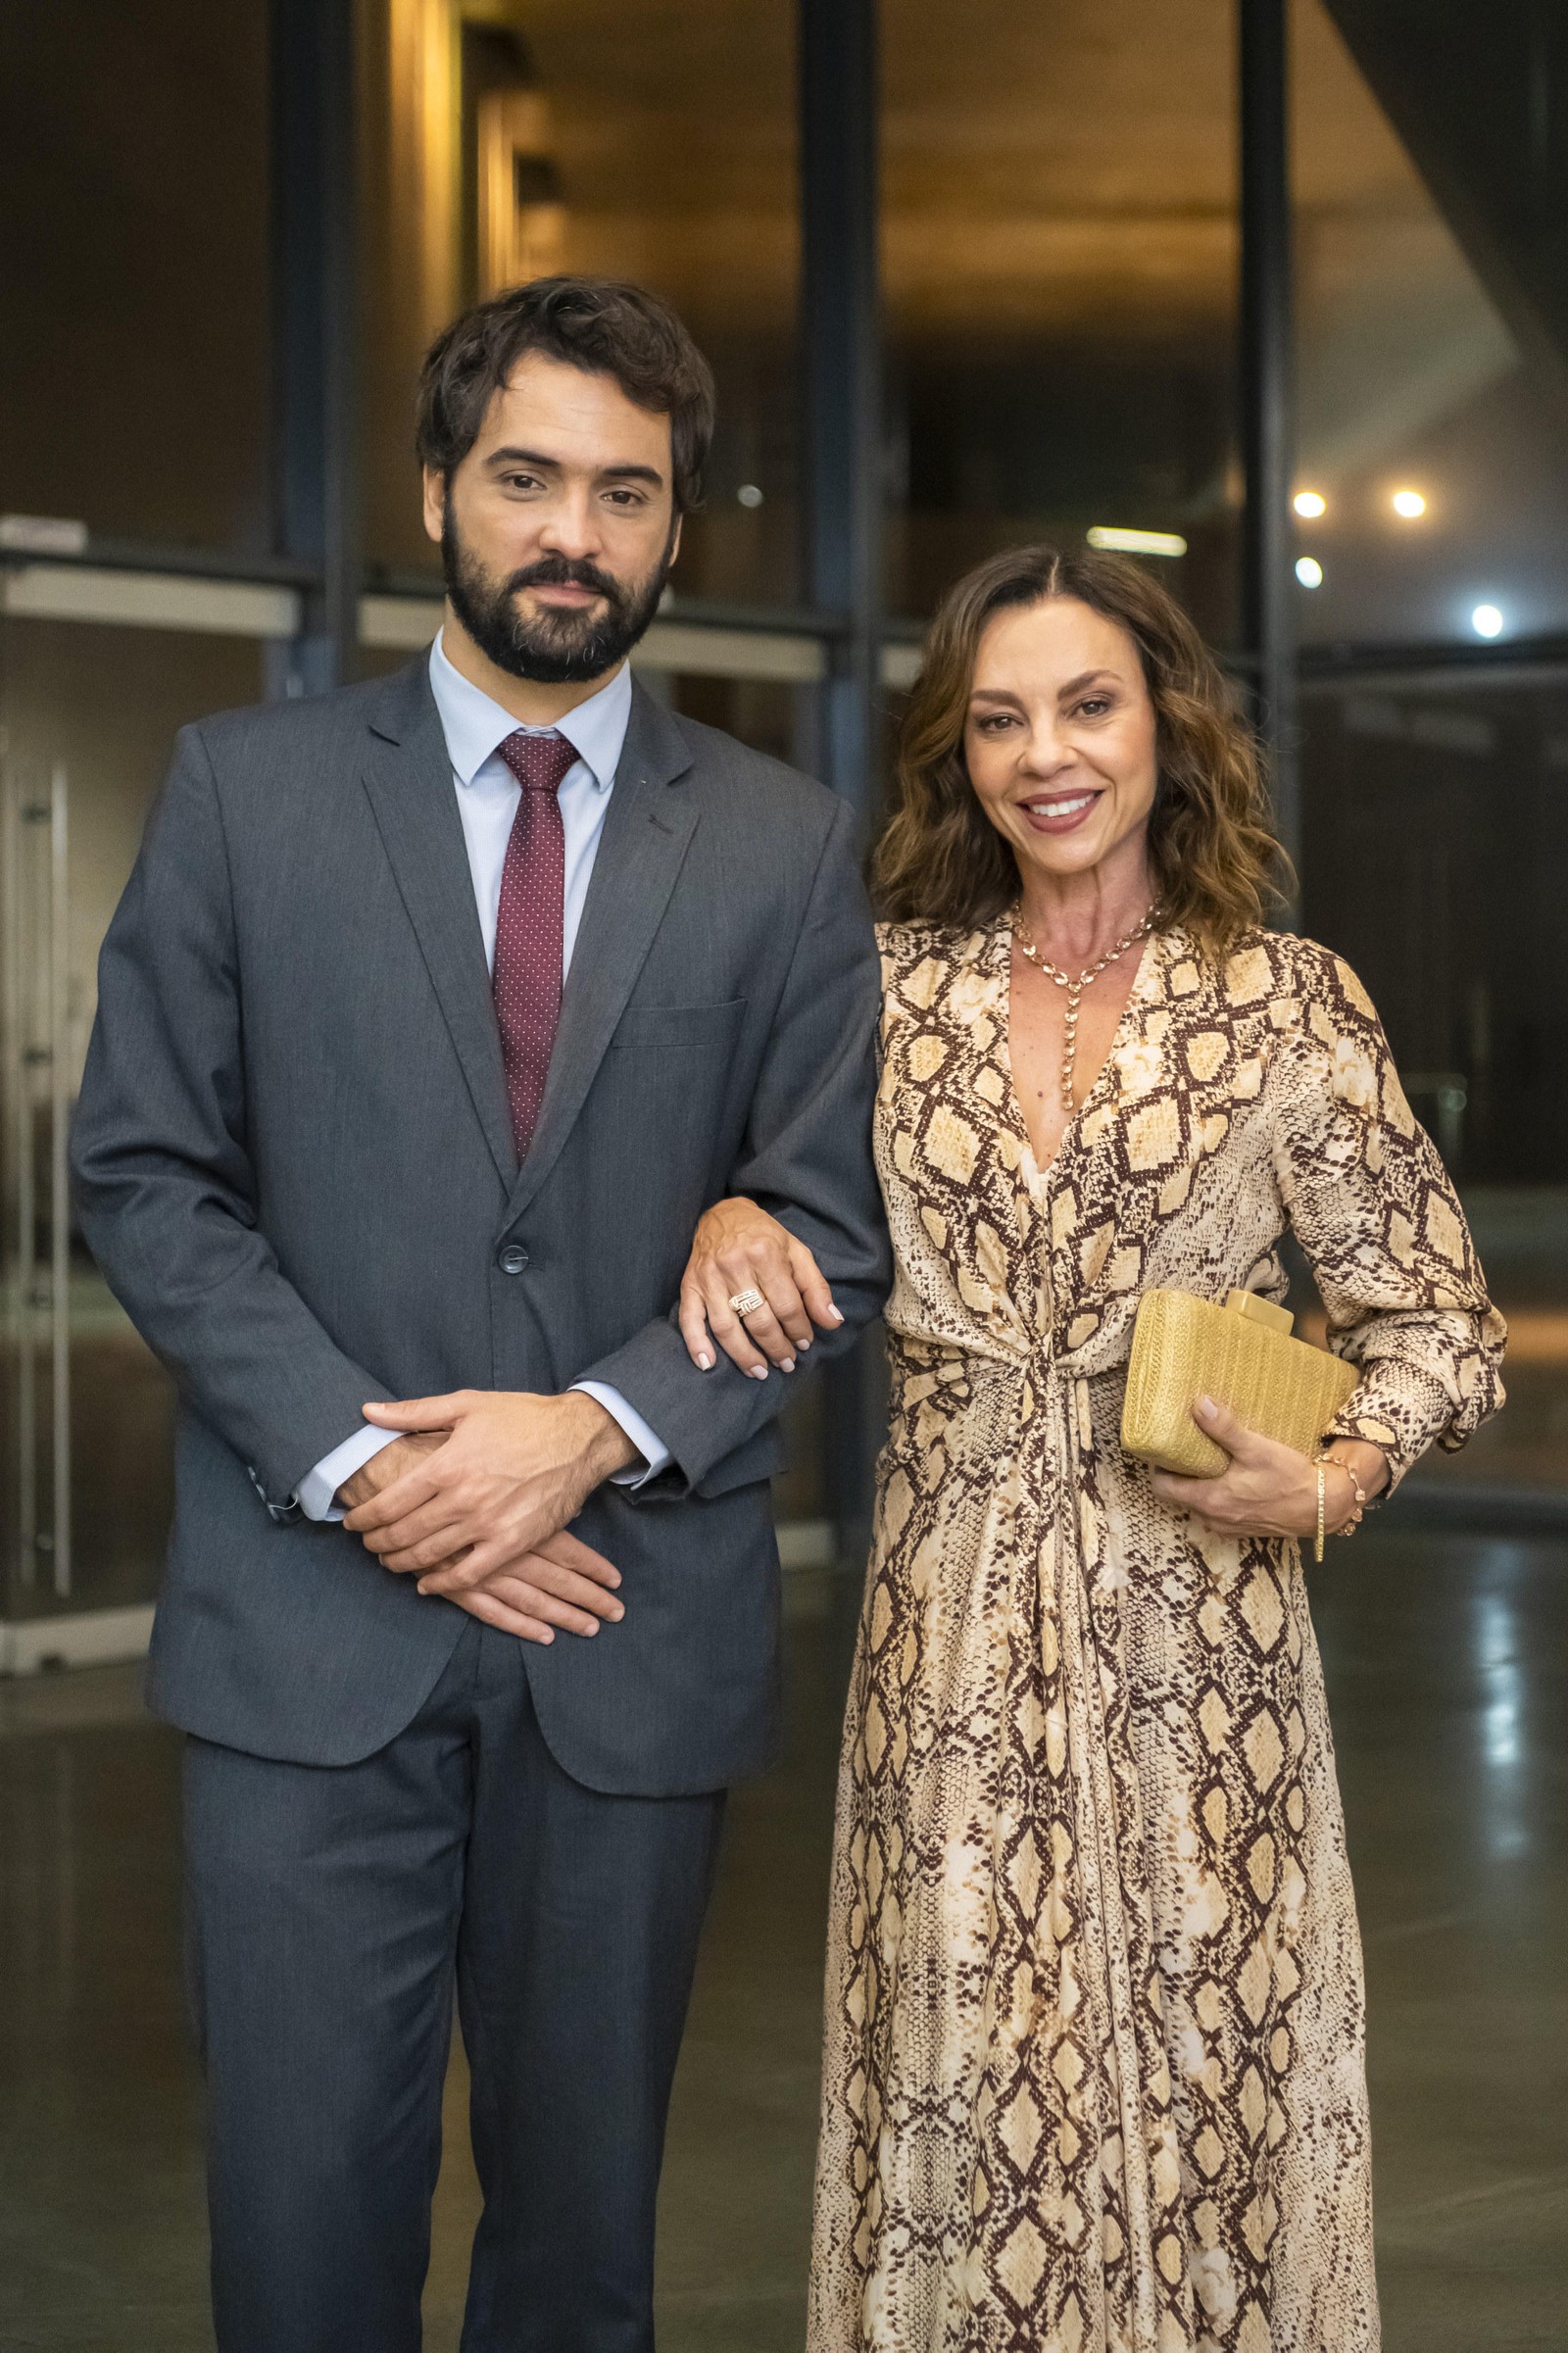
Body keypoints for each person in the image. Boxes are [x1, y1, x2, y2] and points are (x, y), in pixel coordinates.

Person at [71, 275, 889, 2353]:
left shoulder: (784, 850)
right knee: (298, 2238)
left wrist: (586, 1429)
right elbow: (148, 1173)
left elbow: (824, 1211)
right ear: (438, 490)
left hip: (624, 1636)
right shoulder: (242, 793)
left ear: (675, 529)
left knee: (581, 2255)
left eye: (626, 494)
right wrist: (368, 1463)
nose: (573, 534)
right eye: (526, 477)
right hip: (303, 1638)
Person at [677, 544, 1506, 2351]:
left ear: (1167, 724)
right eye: (997, 719)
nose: (1045, 753)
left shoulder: (1287, 998)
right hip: (946, 1646)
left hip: (1204, 1654)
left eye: (1087, 704)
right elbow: (753, 1197)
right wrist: (724, 1213)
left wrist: (1341, 1469)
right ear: (955, 753)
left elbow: (1437, 1323)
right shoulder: (873, 991)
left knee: (1214, 2078)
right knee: (968, 2082)